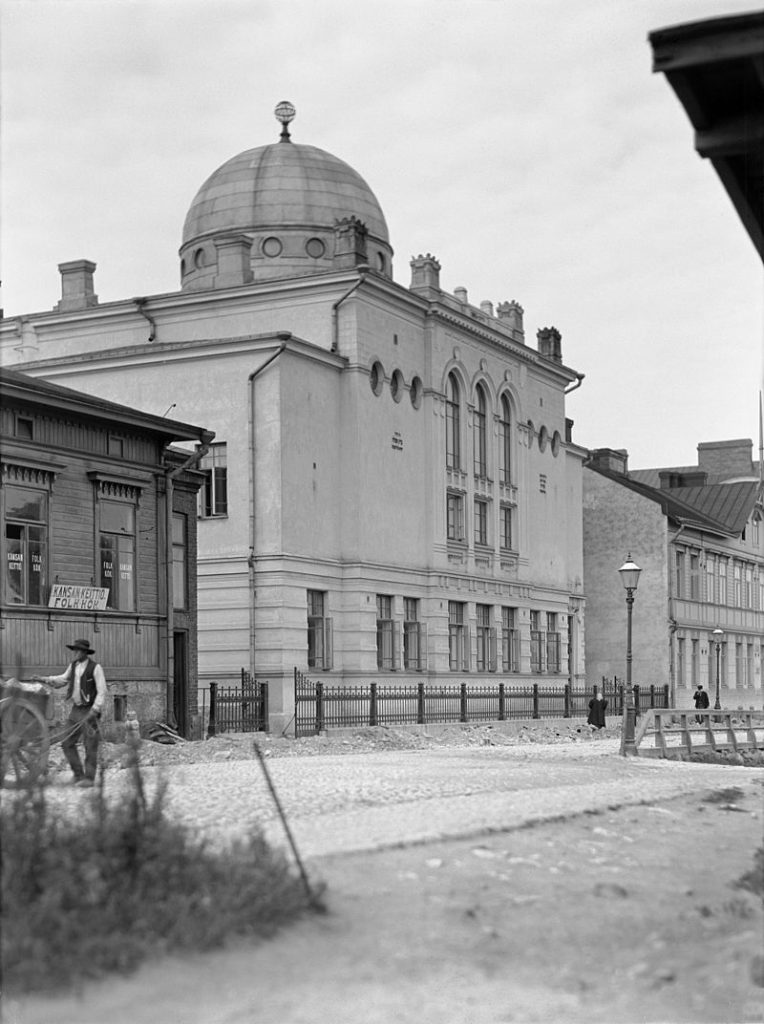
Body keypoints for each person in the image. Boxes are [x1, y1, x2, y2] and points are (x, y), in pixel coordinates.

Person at [34, 639, 107, 786]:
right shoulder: (73, 666)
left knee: (90, 746)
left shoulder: (95, 668)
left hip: (89, 710)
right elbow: (62, 680)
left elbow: (102, 691)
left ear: (85, 653)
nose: (75, 653)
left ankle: (89, 779)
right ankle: (79, 775)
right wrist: (44, 679)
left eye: (78, 650)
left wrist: (95, 709)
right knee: (67, 742)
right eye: (75, 650)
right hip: (76, 710)